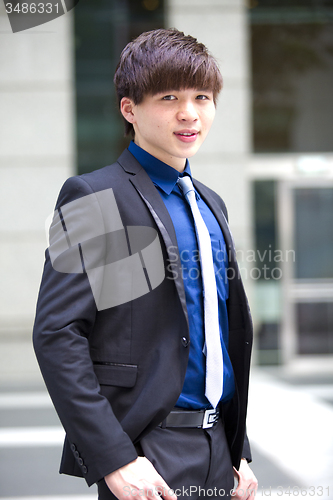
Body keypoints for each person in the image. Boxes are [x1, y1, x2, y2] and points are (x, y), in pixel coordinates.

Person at [33, 28, 258, 500]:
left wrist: (239, 449)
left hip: (220, 449)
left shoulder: (211, 204)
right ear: (129, 109)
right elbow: (58, 333)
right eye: (169, 96)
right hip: (147, 453)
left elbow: (214, 333)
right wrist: (114, 458)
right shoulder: (95, 196)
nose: (189, 113)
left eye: (202, 96)